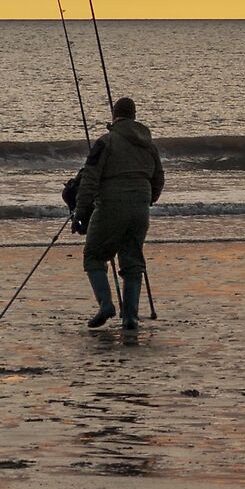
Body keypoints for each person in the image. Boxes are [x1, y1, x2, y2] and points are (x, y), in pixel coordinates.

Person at [74, 95, 165, 328]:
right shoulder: (149, 145)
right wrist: (147, 200)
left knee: (94, 256)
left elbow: (90, 178)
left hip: (111, 205)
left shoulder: (106, 141)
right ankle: (131, 316)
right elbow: (159, 179)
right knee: (133, 261)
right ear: (134, 117)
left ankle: (106, 304)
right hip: (141, 207)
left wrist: (81, 211)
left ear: (114, 116)